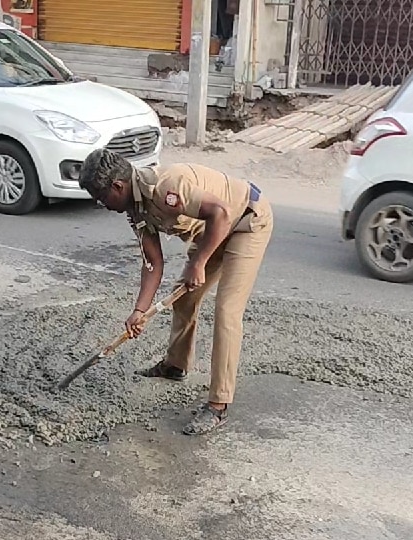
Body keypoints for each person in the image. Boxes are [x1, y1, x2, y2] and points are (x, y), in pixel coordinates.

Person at [78, 148, 274, 436]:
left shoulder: (165, 187)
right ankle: (176, 365)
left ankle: (218, 405)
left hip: (245, 221)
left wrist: (199, 262)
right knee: (184, 298)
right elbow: (153, 263)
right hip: (213, 231)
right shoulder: (135, 210)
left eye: (101, 197)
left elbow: (220, 212)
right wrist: (139, 311)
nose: (102, 205)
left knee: (227, 312)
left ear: (117, 187)